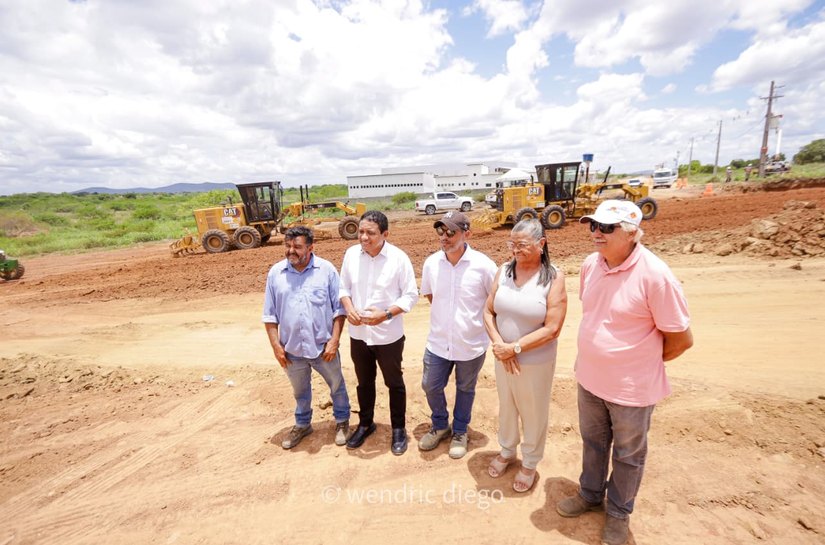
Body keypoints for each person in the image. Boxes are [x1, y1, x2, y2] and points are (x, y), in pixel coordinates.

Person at [556, 200, 693, 545]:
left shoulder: (656, 276)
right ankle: (590, 495)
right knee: (593, 443)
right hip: (590, 380)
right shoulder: (591, 265)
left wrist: (638, 364)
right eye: (593, 226)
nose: (596, 233)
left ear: (631, 233)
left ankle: (618, 513)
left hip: (632, 390)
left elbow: (681, 339)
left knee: (629, 456)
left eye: (606, 227)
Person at [483, 219, 567, 492]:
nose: (515, 250)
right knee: (506, 406)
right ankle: (507, 450)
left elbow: (553, 328)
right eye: (512, 244)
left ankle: (529, 461)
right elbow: (488, 312)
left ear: (541, 244)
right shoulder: (503, 270)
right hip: (503, 357)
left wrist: (515, 348)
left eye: (522, 244)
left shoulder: (553, 277)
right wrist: (499, 345)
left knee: (533, 411)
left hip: (534, 361)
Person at [262, 226, 350, 450]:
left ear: (311, 248)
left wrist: (334, 341)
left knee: (337, 385)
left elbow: (339, 311)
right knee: (300, 391)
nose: (291, 251)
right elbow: (269, 315)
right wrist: (276, 346)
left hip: (323, 347)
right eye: (288, 246)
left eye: (297, 247)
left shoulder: (326, 270)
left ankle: (342, 422)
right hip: (291, 349)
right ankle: (302, 424)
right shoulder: (276, 274)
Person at [340, 210, 419, 455]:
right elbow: (343, 288)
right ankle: (366, 423)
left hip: (388, 336)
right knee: (364, 383)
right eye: (361, 232)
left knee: (394, 382)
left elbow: (410, 295)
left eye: (370, 233)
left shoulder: (398, 258)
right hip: (359, 334)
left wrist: (384, 315)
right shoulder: (351, 255)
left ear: (385, 234)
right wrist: (349, 308)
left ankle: (398, 429)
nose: (363, 237)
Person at [419, 211, 497, 459]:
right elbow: (432, 297)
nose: (445, 236)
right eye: (441, 231)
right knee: (430, 385)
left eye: (451, 232)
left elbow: (493, 303)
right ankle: (440, 424)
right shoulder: (431, 263)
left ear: (467, 234)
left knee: (465, 388)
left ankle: (460, 431)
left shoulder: (484, 266)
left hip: (471, 343)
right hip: (438, 342)